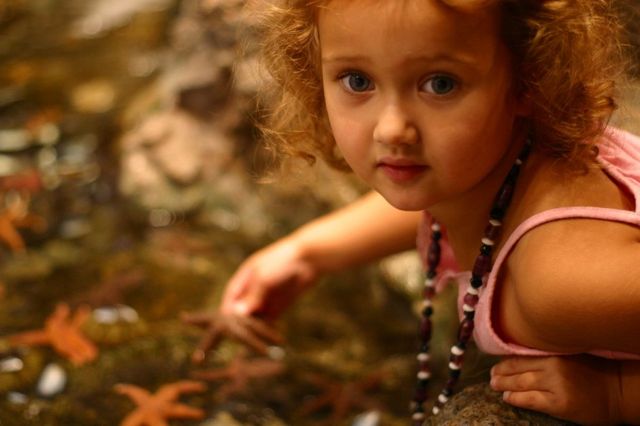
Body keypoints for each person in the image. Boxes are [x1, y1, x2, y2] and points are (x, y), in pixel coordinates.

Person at [217, 0, 640, 423]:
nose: (392, 128)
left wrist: (618, 395)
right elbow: (438, 202)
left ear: (529, 80)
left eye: (440, 84)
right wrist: (307, 253)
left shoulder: (560, 283)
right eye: (358, 80)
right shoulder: (490, 173)